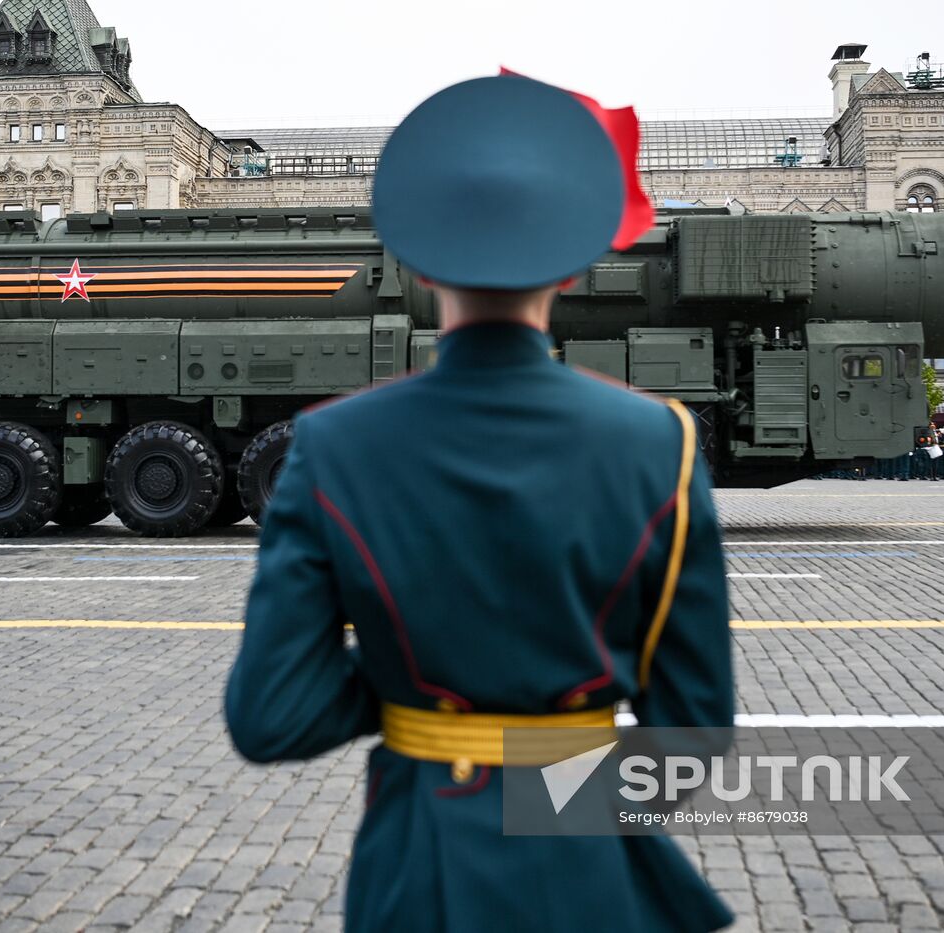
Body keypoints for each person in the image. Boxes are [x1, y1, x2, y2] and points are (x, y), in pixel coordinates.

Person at [226, 74, 734, 933]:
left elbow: (272, 716)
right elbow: (689, 740)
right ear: (576, 264)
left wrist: (404, 671)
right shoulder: (661, 442)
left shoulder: (334, 445)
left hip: (418, 873)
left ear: (417, 259)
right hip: (590, 876)